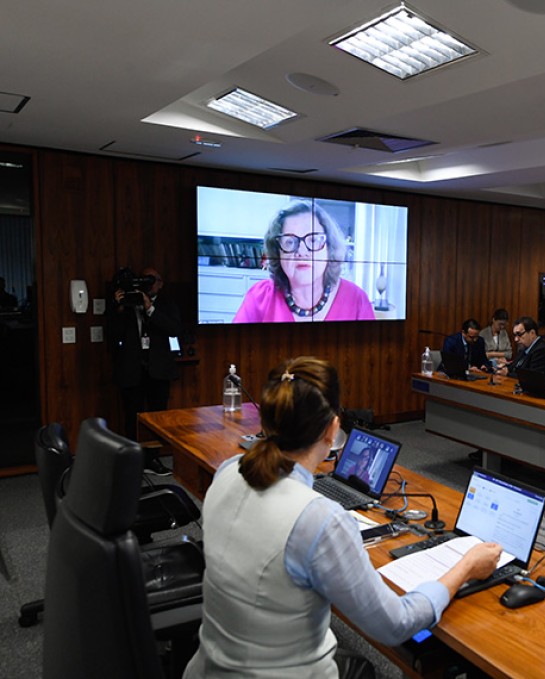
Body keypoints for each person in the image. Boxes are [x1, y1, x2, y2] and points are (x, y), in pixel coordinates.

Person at [183, 357, 501, 678]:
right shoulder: (318, 519)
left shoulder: (228, 471)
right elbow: (396, 624)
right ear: (333, 430)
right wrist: (466, 567)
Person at [233, 201, 375, 322]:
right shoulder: (259, 297)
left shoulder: (357, 299)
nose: (302, 251)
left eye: (313, 240)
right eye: (290, 242)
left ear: (329, 248)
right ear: (278, 252)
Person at [107, 267, 181, 445]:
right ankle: (133, 454)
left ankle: (154, 455)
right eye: (144, 279)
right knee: (132, 416)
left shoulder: (167, 304)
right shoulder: (127, 303)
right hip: (132, 370)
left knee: (158, 417)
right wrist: (118, 308)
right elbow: (112, 334)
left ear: (160, 284)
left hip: (158, 370)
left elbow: (174, 329)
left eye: (152, 280)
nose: (148, 284)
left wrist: (150, 308)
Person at [497, 316, 545, 385]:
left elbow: (533, 379)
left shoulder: (542, 351)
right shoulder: (524, 348)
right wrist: (502, 368)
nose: (516, 339)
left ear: (532, 333)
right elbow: (514, 367)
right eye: (515, 335)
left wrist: (507, 373)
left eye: (519, 334)